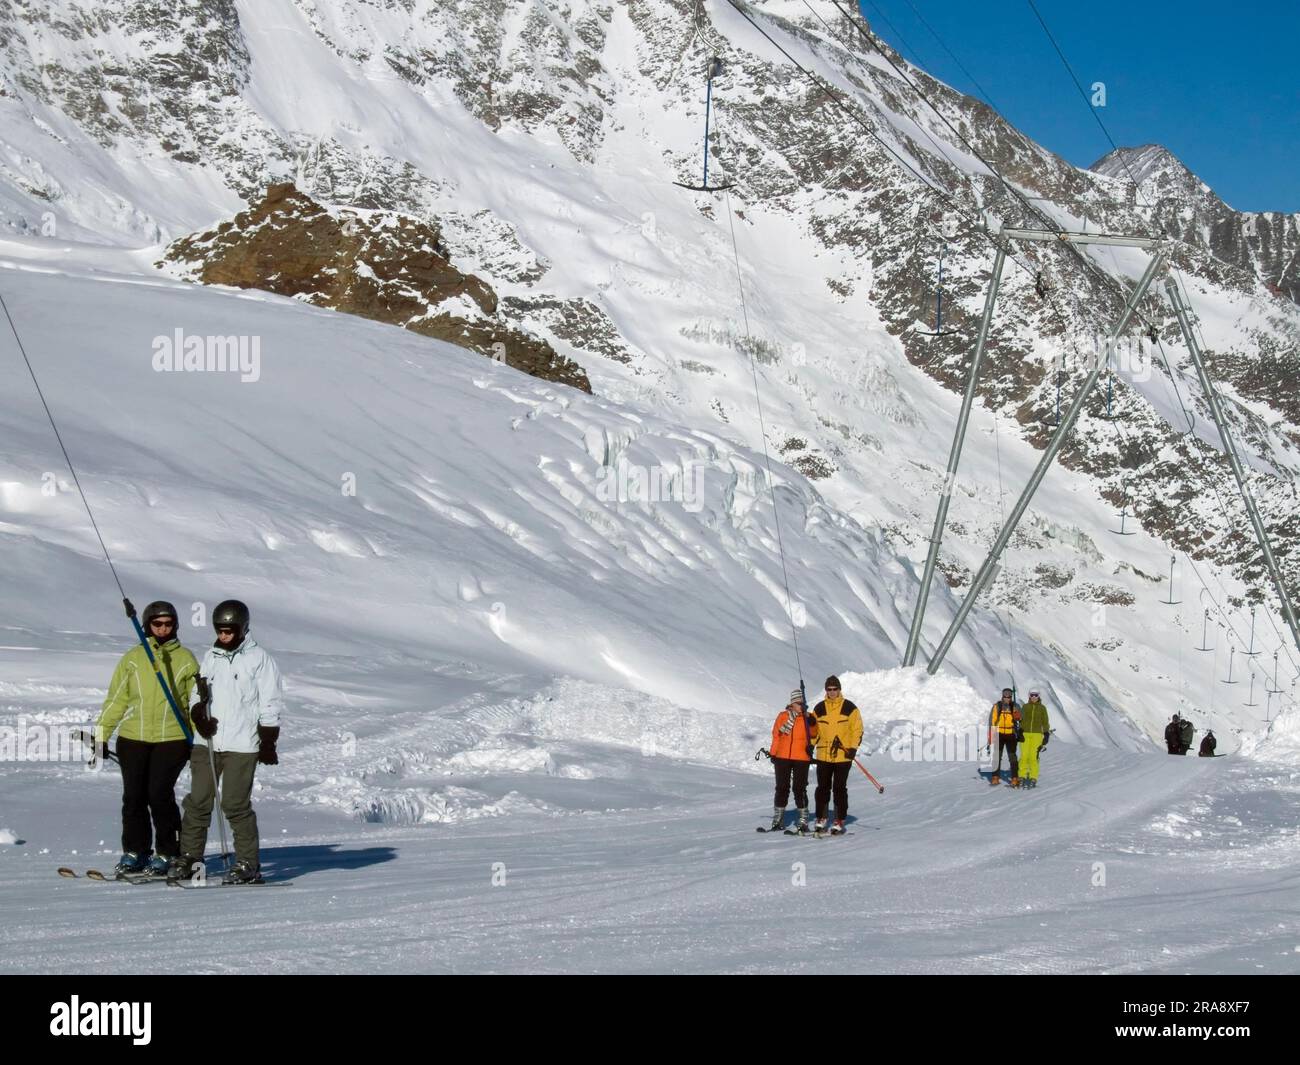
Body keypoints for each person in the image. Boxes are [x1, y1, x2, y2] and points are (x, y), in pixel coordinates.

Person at [170, 600, 283, 884]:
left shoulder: (260, 660)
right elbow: (198, 693)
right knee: (197, 802)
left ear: (242, 628)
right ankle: (190, 858)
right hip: (206, 742)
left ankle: (247, 863)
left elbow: (269, 702)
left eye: (229, 631)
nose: (224, 636)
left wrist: (268, 740)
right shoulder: (211, 656)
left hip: (242, 745)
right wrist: (198, 713)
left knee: (234, 804)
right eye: (220, 631)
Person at [95, 601, 199, 877]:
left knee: (159, 794)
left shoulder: (185, 659)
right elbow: (117, 699)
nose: (163, 629)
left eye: (168, 624)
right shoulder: (133, 658)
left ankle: (169, 852)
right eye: (157, 624)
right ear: (147, 625)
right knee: (134, 797)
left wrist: (199, 736)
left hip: (173, 738)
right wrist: (101, 735)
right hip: (133, 738)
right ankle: (136, 851)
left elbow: (194, 703)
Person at [811, 676, 863, 835]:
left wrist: (853, 748)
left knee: (839, 788)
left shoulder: (850, 708)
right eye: (829, 689)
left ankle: (839, 820)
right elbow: (814, 731)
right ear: (826, 691)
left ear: (839, 689)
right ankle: (821, 818)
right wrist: (809, 746)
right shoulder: (819, 708)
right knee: (822, 788)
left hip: (843, 755)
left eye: (835, 689)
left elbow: (857, 730)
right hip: (823, 755)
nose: (832, 692)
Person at [767, 689, 819, 833]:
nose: (800, 705)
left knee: (799, 788)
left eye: (802, 703)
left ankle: (803, 821)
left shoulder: (808, 717)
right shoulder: (783, 716)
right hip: (782, 757)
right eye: (797, 703)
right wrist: (773, 753)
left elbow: (815, 733)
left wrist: (813, 722)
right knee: (781, 787)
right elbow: (776, 735)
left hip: (801, 757)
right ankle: (778, 820)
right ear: (791, 703)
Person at [987, 687, 1021, 787]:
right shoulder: (997, 706)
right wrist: (991, 736)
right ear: (1002, 695)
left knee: (1012, 757)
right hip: (999, 734)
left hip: (1011, 734)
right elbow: (992, 721)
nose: (1007, 696)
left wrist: (1017, 715)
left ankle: (1015, 778)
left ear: (1011, 696)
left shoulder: (1015, 706)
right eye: (1005, 694)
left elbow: (1020, 719)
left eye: (1009, 695)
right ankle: (995, 777)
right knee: (996, 756)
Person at [1019, 689, 1051, 789]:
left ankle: (1033, 777)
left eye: (1036, 695)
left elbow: (1045, 722)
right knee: (1024, 756)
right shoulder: (1025, 707)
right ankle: (1022, 776)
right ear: (1029, 696)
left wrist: (1046, 733)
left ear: (1038, 696)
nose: (1034, 697)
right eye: (1032, 695)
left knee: (1033, 757)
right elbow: (1021, 720)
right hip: (1025, 734)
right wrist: (1020, 730)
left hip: (1037, 734)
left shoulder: (1042, 708)